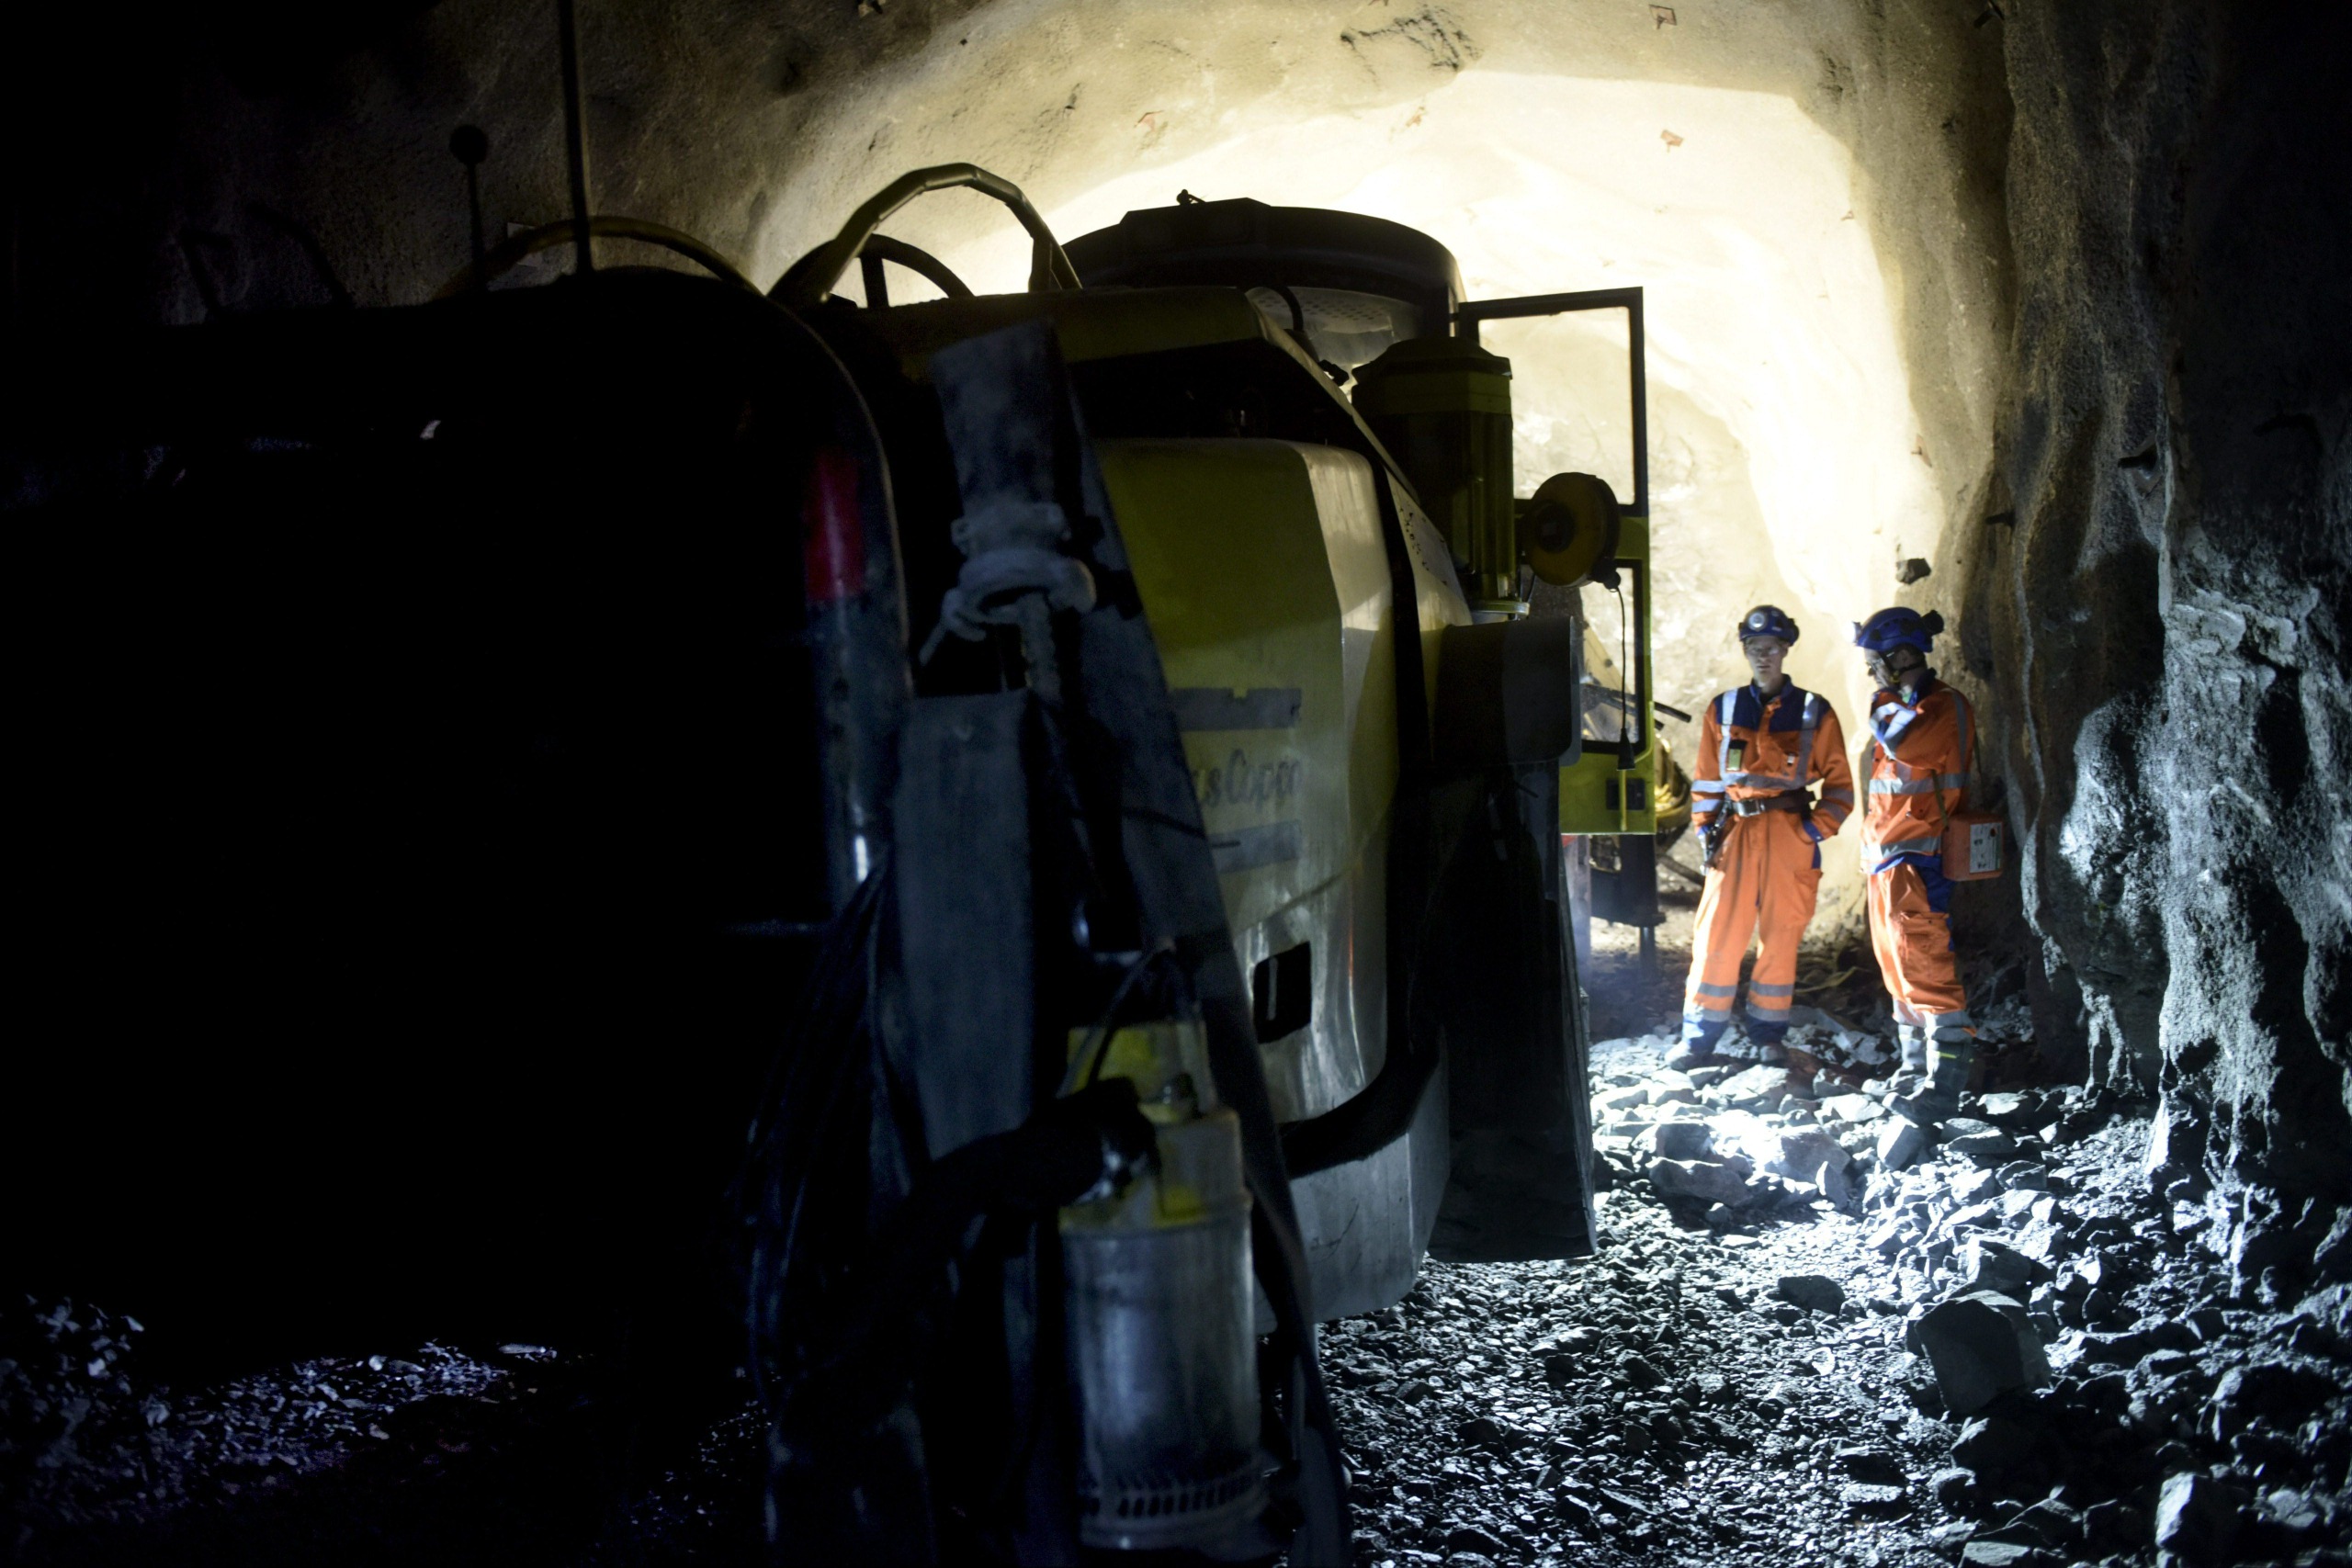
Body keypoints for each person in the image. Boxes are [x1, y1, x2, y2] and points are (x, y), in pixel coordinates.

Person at [1668, 606, 1854, 1071]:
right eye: (1754, 649)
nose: (1763, 657)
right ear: (1745, 652)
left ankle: (1769, 1035)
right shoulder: (1724, 708)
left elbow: (1841, 789)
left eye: (1771, 648)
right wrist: (1708, 834)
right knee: (1716, 936)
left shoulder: (1815, 711)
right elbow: (1708, 782)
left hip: (1789, 834)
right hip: (1735, 833)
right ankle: (1699, 1038)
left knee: (1781, 937)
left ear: (1786, 649)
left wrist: (1813, 831)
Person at [1852, 606, 1976, 1123]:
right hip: (1887, 861)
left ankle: (1944, 1085)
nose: (1870, 674)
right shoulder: (1903, 706)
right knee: (1898, 972)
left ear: (1901, 656)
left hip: (1920, 858)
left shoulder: (1942, 707)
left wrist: (1886, 697)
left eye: (1876, 662)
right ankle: (1911, 1070)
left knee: (1925, 965)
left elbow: (1901, 740)